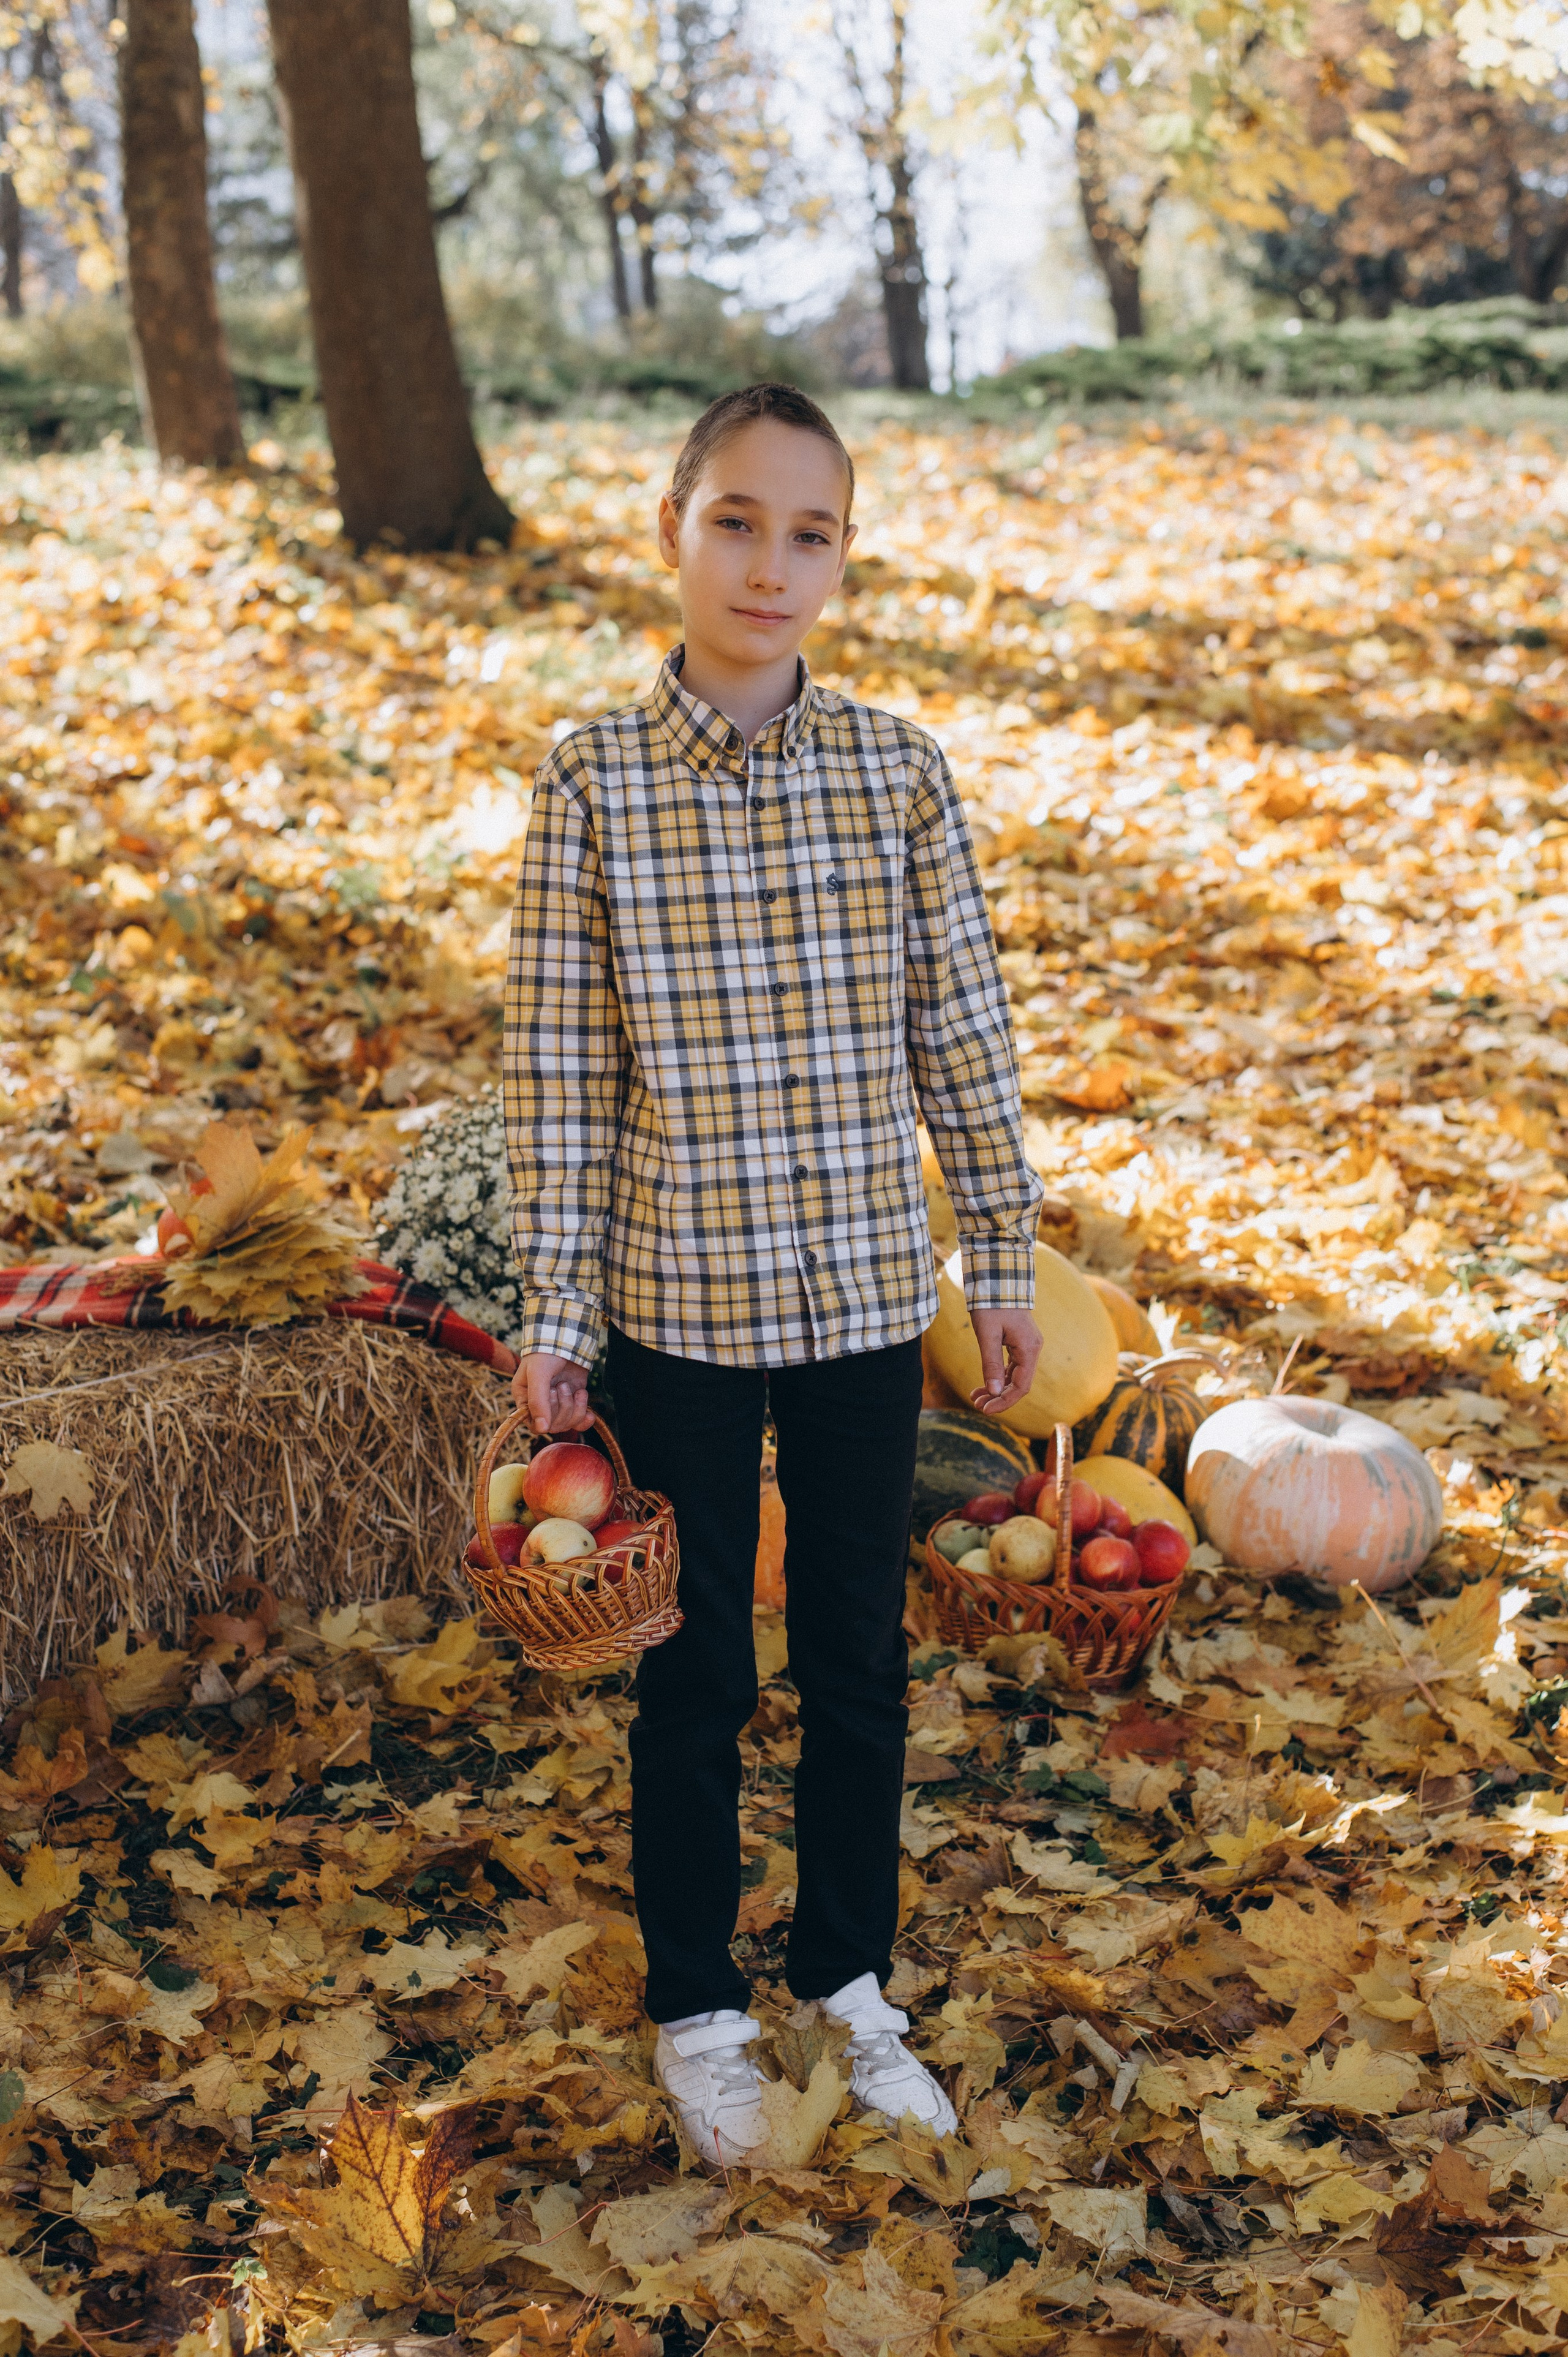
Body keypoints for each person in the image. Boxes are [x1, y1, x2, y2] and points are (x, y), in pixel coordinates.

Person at [503, 382, 1042, 2170]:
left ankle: (846, 1977)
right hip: (684, 1307)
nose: (771, 562)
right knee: (696, 1669)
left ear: (843, 559)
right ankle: (699, 2008)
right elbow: (564, 1080)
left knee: (859, 1663)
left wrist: (1006, 1253)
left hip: (867, 1305)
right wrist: (558, 1324)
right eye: (738, 518)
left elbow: (960, 1027)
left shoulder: (898, 771)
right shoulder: (593, 780)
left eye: (811, 531)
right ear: (673, 527)